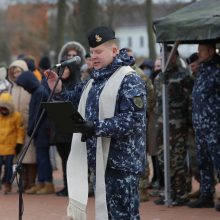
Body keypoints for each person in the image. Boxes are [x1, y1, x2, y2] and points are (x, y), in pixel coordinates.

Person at [46, 26, 147, 219]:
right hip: (99, 161)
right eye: (91, 52)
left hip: (121, 164)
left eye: (99, 51)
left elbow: (133, 120)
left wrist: (95, 127)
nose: (94, 56)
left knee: (123, 216)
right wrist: (58, 90)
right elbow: (74, 99)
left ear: (114, 51)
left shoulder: (129, 79)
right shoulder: (94, 80)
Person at [154, 46, 193, 206]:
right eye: (162, 57)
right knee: (164, 159)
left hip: (178, 124)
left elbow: (190, 101)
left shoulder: (184, 76)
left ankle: (181, 193)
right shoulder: (160, 77)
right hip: (162, 125)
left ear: (175, 57)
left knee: (177, 159)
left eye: (168, 56)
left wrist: (189, 123)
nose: (165, 60)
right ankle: (169, 192)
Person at [187, 43, 220, 211]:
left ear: (211, 51)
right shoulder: (202, 69)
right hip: (200, 125)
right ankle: (207, 194)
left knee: (218, 160)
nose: (198, 53)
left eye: (201, 50)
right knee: (203, 161)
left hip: (215, 125)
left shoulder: (217, 69)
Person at [52, 41, 86, 197]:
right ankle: (67, 186)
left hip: (73, 129)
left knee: (72, 160)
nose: (64, 71)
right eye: (69, 56)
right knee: (64, 160)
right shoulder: (56, 84)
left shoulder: (78, 84)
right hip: (59, 128)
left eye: (74, 55)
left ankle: (74, 187)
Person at [16, 71, 54, 194]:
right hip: (38, 131)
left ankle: (48, 183)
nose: (24, 89)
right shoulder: (37, 92)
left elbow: (38, 114)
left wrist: (32, 129)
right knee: (40, 157)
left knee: (43, 158)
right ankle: (41, 182)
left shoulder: (40, 92)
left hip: (42, 130)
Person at [8, 60, 37, 191]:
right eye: (14, 72)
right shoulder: (11, 88)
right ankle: (22, 182)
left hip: (28, 124)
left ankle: (31, 182)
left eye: (18, 71)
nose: (16, 74)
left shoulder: (29, 86)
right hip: (15, 127)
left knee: (30, 156)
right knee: (18, 157)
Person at [0, 92, 25, 194]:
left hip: (11, 147)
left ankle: (7, 184)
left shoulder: (16, 116)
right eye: (2, 108)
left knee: (9, 168)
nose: (3, 110)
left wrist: (19, 143)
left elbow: (20, 130)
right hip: (0, 147)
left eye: (5, 108)